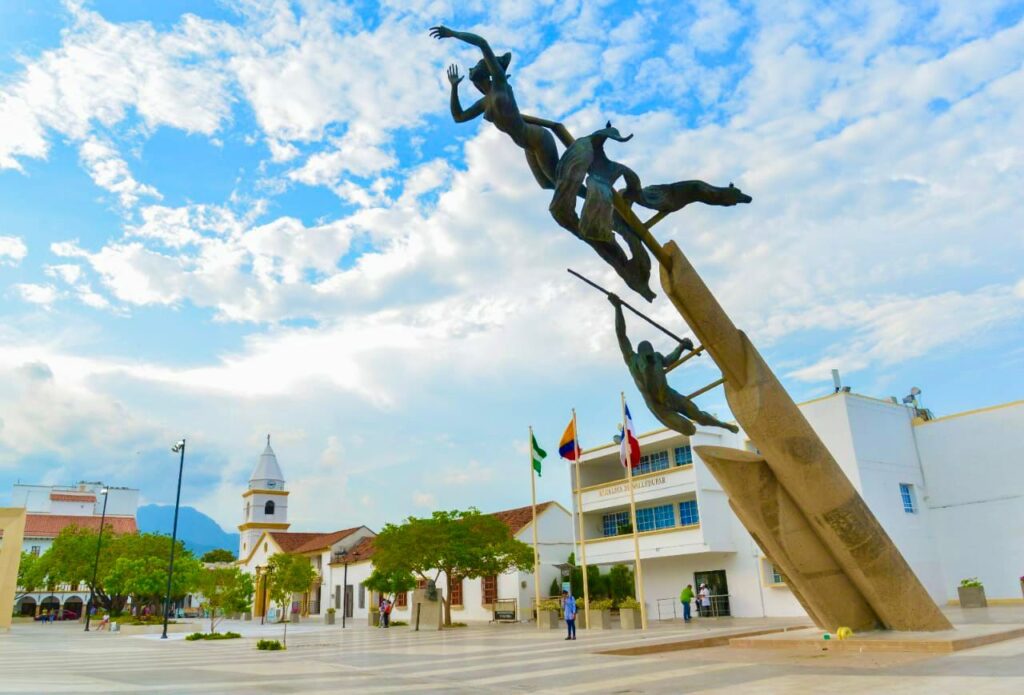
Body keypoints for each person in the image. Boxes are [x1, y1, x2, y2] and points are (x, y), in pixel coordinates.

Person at [610, 294, 740, 436]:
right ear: (640, 355)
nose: (649, 358)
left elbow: (669, 360)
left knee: (698, 415)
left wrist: (681, 347)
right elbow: (621, 335)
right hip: (658, 407)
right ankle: (703, 426)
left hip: (669, 396)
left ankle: (724, 425)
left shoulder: (657, 357)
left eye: (650, 354)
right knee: (689, 429)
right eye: (646, 356)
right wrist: (618, 308)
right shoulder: (631, 360)